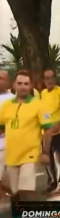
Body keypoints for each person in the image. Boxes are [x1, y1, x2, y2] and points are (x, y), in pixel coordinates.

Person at [0, 71, 54, 202]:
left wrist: (45, 152)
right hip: (11, 156)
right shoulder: (6, 105)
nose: (23, 86)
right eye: (19, 83)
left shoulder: (39, 105)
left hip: (30, 155)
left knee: (26, 191)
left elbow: (48, 129)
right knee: (16, 193)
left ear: (31, 86)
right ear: (14, 85)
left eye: (26, 83)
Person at [0, 70, 14, 200]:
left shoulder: (13, 100)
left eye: (1, 78)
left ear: (8, 82)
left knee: (14, 182)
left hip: (10, 146)